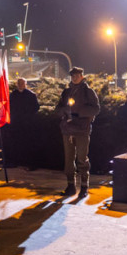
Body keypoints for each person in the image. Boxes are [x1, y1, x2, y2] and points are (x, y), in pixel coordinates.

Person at [54, 67, 100, 198]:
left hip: (82, 130)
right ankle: (70, 186)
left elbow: (96, 109)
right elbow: (58, 109)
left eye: (77, 75)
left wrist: (78, 112)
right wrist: (64, 111)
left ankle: (84, 187)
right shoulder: (66, 92)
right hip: (68, 130)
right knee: (68, 160)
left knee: (82, 159)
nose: (75, 77)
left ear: (82, 76)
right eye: (73, 75)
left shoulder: (88, 92)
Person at [7, 77, 39, 167]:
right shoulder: (13, 95)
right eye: (19, 83)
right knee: (15, 143)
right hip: (16, 123)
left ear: (25, 84)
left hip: (26, 124)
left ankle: (27, 163)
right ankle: (15, 162)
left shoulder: (31, 95)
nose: (20, 85)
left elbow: (36, 107)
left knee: (27, 143)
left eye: (22, 83)